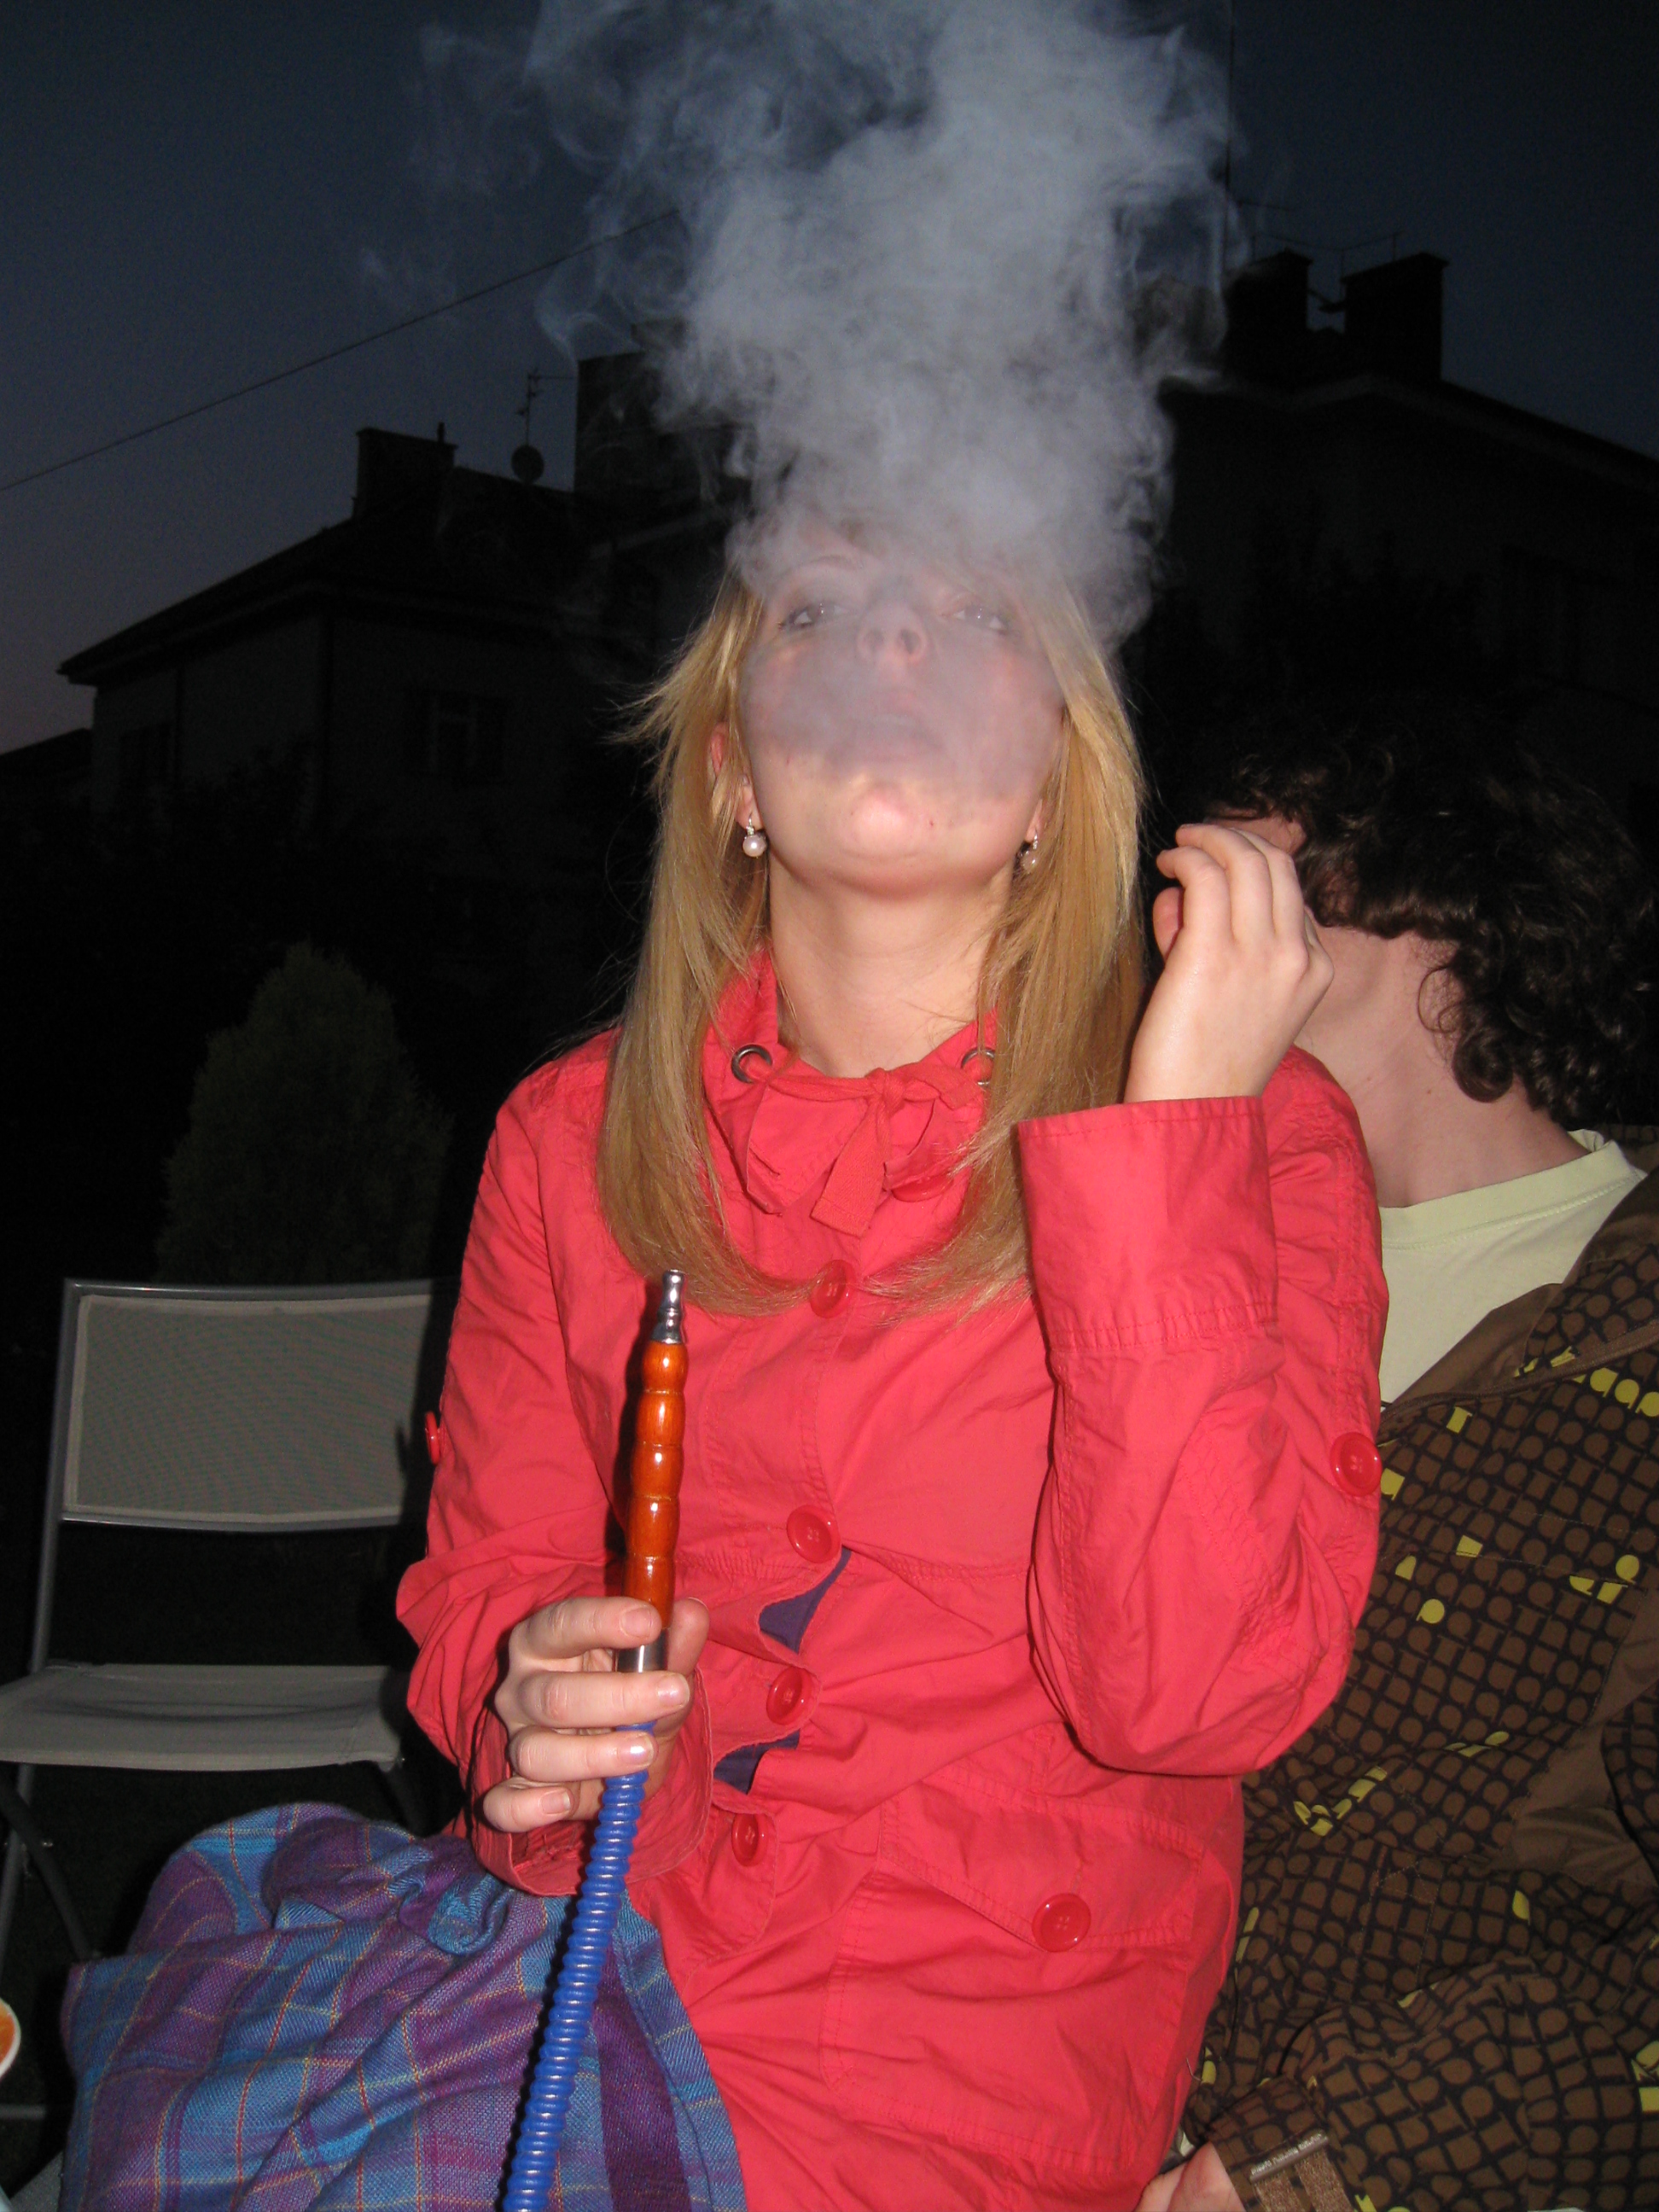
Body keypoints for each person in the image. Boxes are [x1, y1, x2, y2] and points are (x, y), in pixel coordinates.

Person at [393, 525, 1388, 2211]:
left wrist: (1175, 1144)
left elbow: (1193, 1700)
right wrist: (535, 1682)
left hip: (974, 2063)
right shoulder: (569, 1138)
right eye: (823, 613)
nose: (898, 649)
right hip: (584, 1970)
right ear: (733, 776)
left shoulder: (1257, 1132)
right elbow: (487, 1585)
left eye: (975, 614)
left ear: (1058, 786)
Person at [1145, 703, 1659, 2212]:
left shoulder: (1635, 1338)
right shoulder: (1167, 1283)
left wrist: (1342, 2152)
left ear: (1444, 920)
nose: (1179, 923)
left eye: (1257, 874)